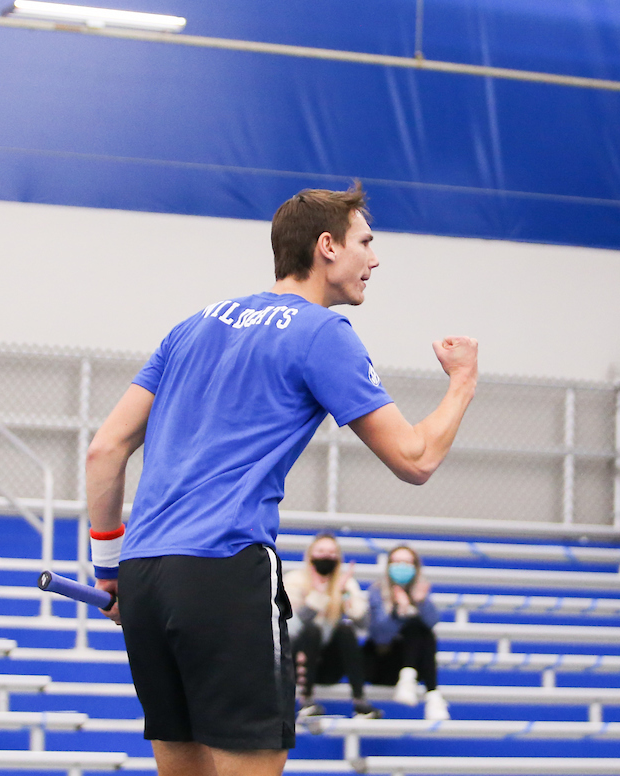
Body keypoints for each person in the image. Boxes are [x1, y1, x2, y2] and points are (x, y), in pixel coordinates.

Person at [85, 183, 478, 776]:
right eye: (365, 243)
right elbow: (415, 459)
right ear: (327, 246)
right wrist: (463, 381)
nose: (375, 259)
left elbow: (104, 449)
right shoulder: (322, 333)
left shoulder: (190, 326)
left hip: (144, 573)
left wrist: (110, 569)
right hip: (224, 568)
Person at [284, 534, 375, 718]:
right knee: (312, 630)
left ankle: (360, 701)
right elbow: (292, 628)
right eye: (321, 551)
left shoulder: (344, 583)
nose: (326, 556)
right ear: (310, 555)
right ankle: (306, 700)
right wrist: (320, 594)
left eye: (331, 552)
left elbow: (363, 623)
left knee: (345, 630)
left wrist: (345, 596)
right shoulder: (294, 580)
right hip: (298, 659)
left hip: (328, 664)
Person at [363, 545, 447, 720]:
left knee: (422, 629)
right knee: (414, 624)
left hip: (413, 667)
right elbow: (380, 634)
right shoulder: (377, 591)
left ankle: (428, 692)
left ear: (415, 567)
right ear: (389, 565)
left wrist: (420, 603)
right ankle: (431, 693)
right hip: (383, 662)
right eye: (397, 562)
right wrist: (399, 611)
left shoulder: (419, 592)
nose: (402, 566)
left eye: (407, 562)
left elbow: (432, 622)